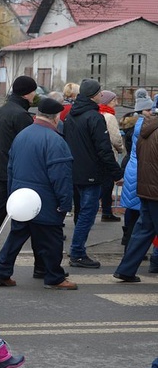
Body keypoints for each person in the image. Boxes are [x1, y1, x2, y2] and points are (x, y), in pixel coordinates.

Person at [0, 98, 77, 290]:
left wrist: (14, 193)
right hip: (44, 199)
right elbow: (61, 176)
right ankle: (54, 277)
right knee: (52, 238)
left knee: (17, 235)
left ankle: (2, 271)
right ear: (56, 118)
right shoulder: (55, 140)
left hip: (22, 197)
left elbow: (10, 167)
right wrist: (65, 202)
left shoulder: (22, 135)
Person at [63, 78, 123, 269]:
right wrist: (116, 173)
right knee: (87, 214)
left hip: (74, 170)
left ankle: (76, 251)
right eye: (99, 93)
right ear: (93, 96)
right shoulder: (94, 117)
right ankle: (78, 252)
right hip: (91, 172)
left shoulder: (72, 115)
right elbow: (104, 149)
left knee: (80, 211)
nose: (101, 96)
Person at [0, 76, 36, 244]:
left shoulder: (5, 110)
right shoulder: (21, 115)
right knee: (2, 213)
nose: (34, 95)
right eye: (33, 92)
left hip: (4, 167)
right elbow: (27, 146)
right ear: (26, 94)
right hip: (16, 171)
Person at [112, 104, 158, 283]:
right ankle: (125, 270)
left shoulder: (146, 129)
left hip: (146, 187)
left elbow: (137, 156)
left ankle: (126, 269)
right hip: (154, 189)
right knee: (144, 230)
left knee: (143, 230)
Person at [119, 89, 155, 249]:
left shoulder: (133, 124)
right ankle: (133, 245)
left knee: (131, 209)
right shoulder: (146, 126)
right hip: (142, 169)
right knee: (142, 213)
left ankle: (127, 239)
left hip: (132, 167)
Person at [98, 90, 125, 222]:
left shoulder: (97, 114)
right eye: (114, 100)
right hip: (109, 154)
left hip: (96, 156)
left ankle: (105, 210)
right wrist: (121, 148)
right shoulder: (109, 116)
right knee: (107, 184)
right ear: (108, 102)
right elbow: (115, 138)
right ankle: (107, 212)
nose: (116, 103)